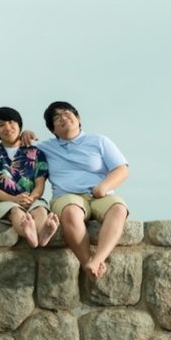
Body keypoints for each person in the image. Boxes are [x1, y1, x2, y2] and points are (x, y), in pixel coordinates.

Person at [35, 101, 129, 279]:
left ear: (78, 118)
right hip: (67, 196)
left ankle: (98, 260)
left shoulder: (99, 141)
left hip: (99, 194)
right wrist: (24, 134)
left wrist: (103, 187)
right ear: (52, 129)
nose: (63, 118)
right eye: (56, 117)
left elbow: (122, 169)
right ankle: (87, 264)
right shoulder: (44, 148)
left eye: (67, 113)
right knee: (71, 212)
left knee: (118, 209)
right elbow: (18, 149)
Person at [0, 106, 59, 248]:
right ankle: (29, 233)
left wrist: (31, 198)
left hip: (32, 198)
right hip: (6, 201)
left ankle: (42, 234)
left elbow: (40, 184)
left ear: (19, 126)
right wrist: (14, 199)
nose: (7, 127)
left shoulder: (35, 153)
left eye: (12, 122)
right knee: (15, 211)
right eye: (1, 125)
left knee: (40, 210)